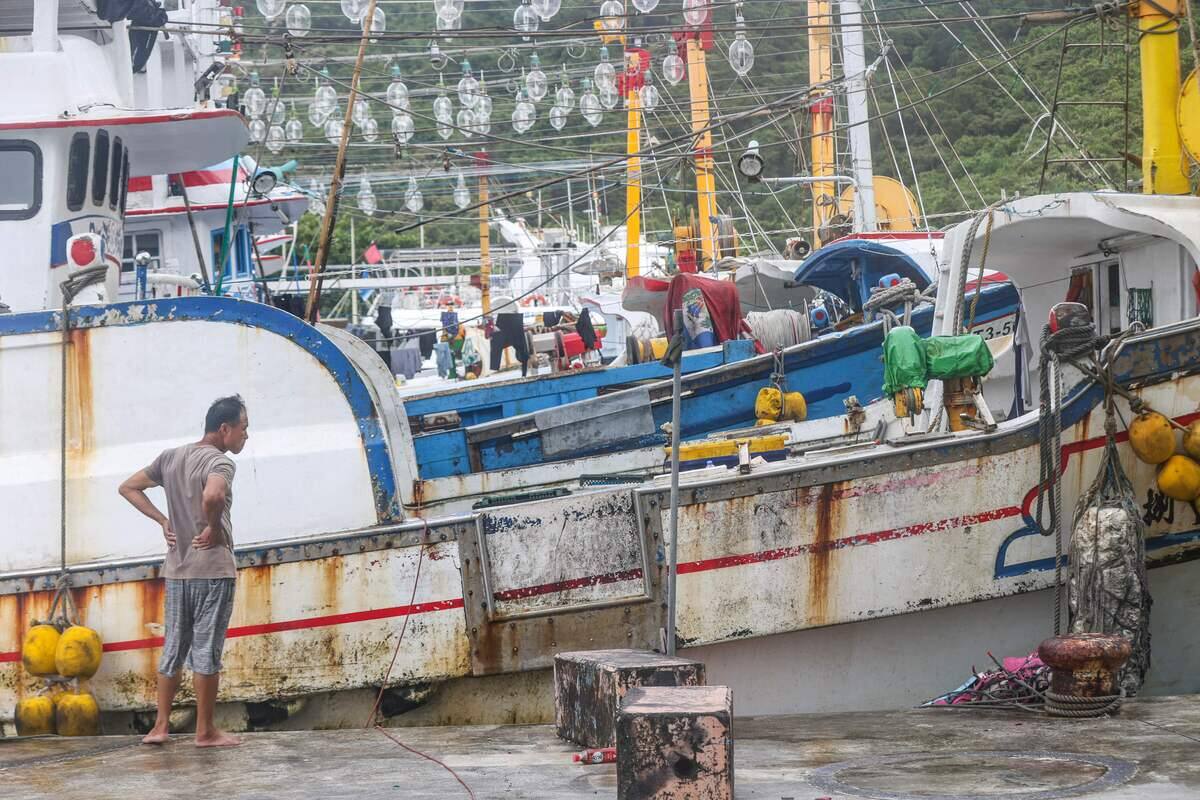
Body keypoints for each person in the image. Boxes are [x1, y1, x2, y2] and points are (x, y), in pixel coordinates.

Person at [117, 395, 249, 747]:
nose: (246, 436)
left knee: (174, 647)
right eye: (243, 428)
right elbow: (214, 497)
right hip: (213, 569)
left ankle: (160, 727)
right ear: (224, 429)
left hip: (177, 569)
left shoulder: (170, 457)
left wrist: (164, 521)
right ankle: (205, 732)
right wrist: (215, 528)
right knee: (206, 650)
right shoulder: (220, 462)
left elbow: (128, 487)